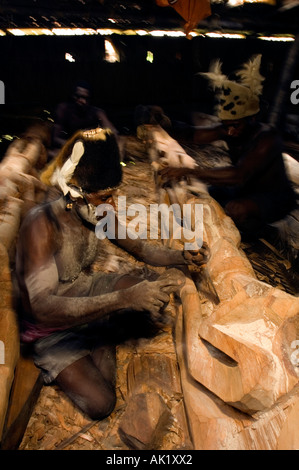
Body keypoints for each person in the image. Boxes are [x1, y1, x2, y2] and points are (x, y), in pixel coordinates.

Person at [15, 127, 208, 421]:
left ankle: (101, 324)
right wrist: (124, 299)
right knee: (101, 403)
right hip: (51, 326)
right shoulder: (41, 225)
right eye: (105, 197)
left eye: (113, 196)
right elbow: (42, 309)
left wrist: (182, 255)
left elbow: (143, 250)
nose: (111, 205)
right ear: (76, 194)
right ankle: (100, 328)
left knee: (151, 296)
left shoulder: (98, 211)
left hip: (85, 291)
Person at [160, 55, 297, 238]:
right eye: (226, 125)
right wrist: (165, 123)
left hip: (275, 198)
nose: (230, 132)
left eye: (236, 125)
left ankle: (268, 233)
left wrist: (190, 171)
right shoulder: (230, 129)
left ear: (252, 119)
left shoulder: (267, 139)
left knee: (236, 209)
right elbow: (193, 134)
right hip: (248, 188)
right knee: (208, 194)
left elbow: (238, 175)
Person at [49, 81, 118, 159]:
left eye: (85, 98)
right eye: (78, 97)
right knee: (53, 154)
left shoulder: (97, 112)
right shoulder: (63, 109)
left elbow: (113, 132)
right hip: (69, 147)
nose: (82, 101)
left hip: (92, 148)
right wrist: (74, 145)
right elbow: (55, 138)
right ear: (72, 96)